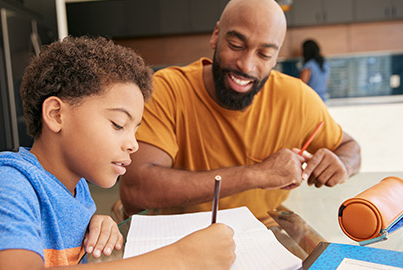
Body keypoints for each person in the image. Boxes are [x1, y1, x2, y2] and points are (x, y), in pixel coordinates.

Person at [0, 36, 235, 269]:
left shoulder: (78, 188)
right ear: (56, 115)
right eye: (118, 124)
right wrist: (181, 258)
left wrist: (94, 220)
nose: (133, 144)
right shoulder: (7, 181)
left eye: (135, 129)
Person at [119, 0, 361, 227]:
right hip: (182, 236)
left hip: (265, 234)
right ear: (216, 36)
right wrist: (257, 175)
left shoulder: (298, 98)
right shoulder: (167, 90)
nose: (246, 65)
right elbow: (136, 190)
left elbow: (350, 147)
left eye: (264, 54)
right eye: (236, 45)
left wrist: (343, 165)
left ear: (276, 58)